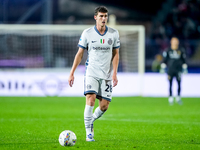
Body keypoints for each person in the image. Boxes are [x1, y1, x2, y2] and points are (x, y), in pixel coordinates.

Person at [68, 6, 120, 141]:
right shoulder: (87, 33)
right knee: (90, 100)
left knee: (104, 106)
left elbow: (116, 54)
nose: (104, 18)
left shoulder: (114, 33)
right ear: (95, 17)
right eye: (101, 16)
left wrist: (114, 73)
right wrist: (72, 72)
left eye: (106, 16)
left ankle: (90, 120)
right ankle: (89, 134)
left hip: (107, 74)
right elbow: (80, 54)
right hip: (91, 72)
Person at [160, 37, 187, 105]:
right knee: (170, 84)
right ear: (171, 42)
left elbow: (184, 61)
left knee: (179, 84)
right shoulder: (168, 50)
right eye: (173, 41)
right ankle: (171, 98)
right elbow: (164, 60)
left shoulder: (181, 50)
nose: (175, 42)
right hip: (170, 70)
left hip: (178, 70)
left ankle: (178, 98)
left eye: (176, 41)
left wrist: (185, 68)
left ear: (178, 42)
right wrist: (163, 67)